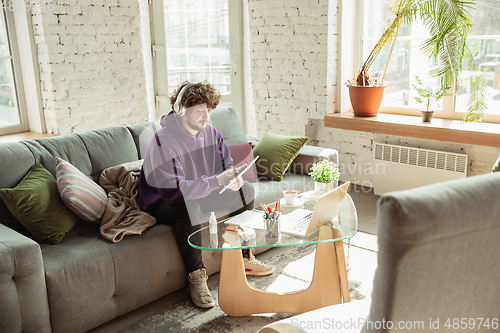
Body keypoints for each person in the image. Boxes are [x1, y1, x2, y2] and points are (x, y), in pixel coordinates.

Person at [138, 81, 274, 308]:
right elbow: (174, 191)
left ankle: (243, 257)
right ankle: (196, 277)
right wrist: (215, 181)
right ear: (182, 110)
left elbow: (226, 165)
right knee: (188, 206)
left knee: (246, 191)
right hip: (164, 199)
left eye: (209, 110)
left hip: (200, 189)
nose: (207, 117)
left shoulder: (210, 132)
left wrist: (233, 177)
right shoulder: (163, 141)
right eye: (200, 111)